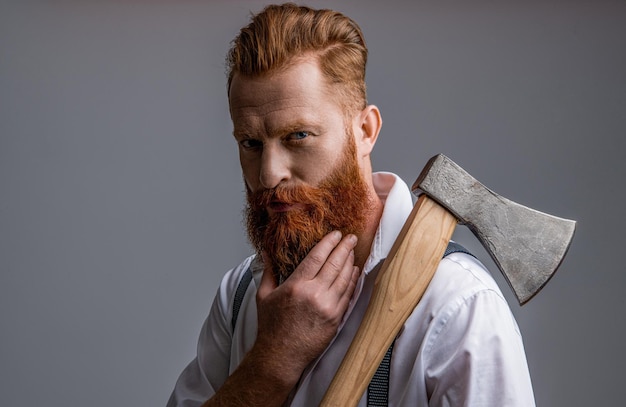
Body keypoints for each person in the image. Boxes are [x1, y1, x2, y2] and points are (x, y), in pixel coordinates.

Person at [167, 3, 535, 406]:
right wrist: (270, 364)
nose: (268, 175)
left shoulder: (457, 307)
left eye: (298, 136)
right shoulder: (240, 294)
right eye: (251, 143)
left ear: (365, 131)